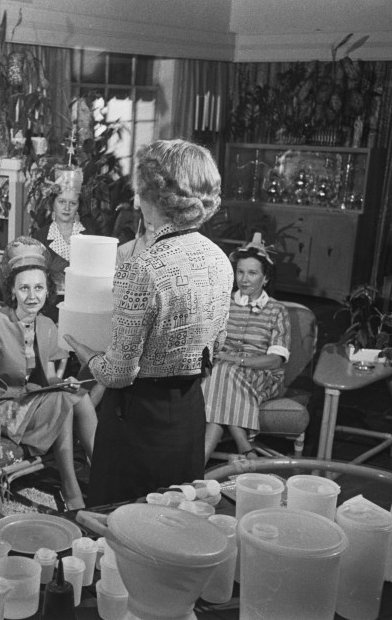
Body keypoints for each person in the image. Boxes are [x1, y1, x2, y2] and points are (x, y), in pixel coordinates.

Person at [65, 139, 233, 507]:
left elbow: (117, 374)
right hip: (189, 411)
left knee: (124, 525)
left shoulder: (142, 268)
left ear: (150, 198)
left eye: (139, 191)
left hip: (138, 418)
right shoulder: (220, 260)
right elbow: (216, 347)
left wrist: (86, 354)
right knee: (176, 521)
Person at [0, 237, 97, 511]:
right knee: (61, 400)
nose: (32, 296)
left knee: (77, 397)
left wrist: (63, 383)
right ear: (12, 291)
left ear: (47, 290)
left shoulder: (47, 324)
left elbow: (49, 378)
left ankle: (99, 470)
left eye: (39, 288)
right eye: (24, 288)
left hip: (32, 399)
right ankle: (70, 486)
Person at [202, 234, 290, 460]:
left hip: (262, 374)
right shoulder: (224, 303)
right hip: (223, 373)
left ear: (265, 278)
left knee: (222, 372)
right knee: (221, 373)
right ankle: (245, 449)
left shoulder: (277, 310)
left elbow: (275, 360)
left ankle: (199, 466)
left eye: (252, 273)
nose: (245, 279)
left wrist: (238, 360)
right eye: (240, 272)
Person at [31, 167, 98, 289]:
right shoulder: (40, 237)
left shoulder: (90, 235)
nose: (67, 208)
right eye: (61, 202)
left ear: (78, 206)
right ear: (53, 203)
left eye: (72, 203)